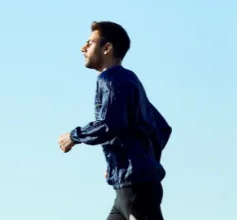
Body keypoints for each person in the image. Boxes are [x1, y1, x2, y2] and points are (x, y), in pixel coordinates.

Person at [57, 21, 172, 220]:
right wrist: (122, 164)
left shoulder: (110, 79)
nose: (82, 48)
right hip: (132, 185)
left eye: (90, 43)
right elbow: (161, 129)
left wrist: (73, 137)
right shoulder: (129, 79)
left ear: (107, 48)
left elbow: (109, 125)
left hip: (136, 186)